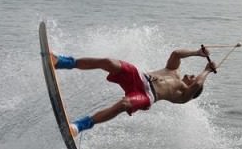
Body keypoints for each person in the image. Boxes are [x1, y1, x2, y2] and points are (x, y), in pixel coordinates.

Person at [52, 47, 217, 136]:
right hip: (139, 77)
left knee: (124, 104)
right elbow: (176, 54)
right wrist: (197, 53)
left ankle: (78, 126)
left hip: (146, 96)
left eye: (194, 78)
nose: (193, 76)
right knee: (108, 62)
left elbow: (197, 84)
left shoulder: (183, 95)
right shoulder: (173, 71)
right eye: (194, 75)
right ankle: (61, 62)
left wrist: (206, 71)